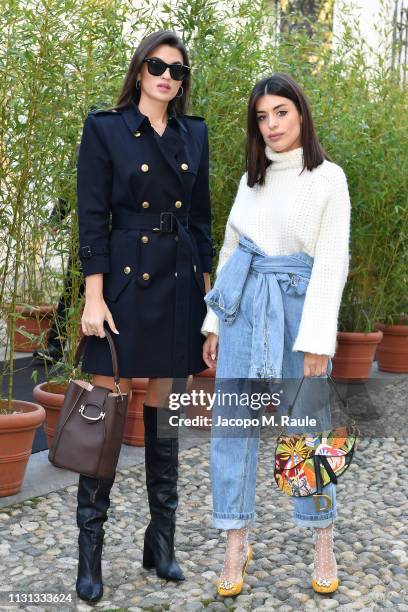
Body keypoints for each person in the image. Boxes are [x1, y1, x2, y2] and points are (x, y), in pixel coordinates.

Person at [75, 30, 213, 603]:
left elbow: (202, 223)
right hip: (125, 287)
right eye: (157, 65)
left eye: (177, 70)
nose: (166, 76)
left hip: (179, 288)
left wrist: (209, 311)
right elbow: (92, 219)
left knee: (165, 424)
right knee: (101, 425)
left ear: (182, 82)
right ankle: (90, 556)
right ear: (139, 70)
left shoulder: (193, 133)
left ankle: (162, 543)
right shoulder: (106, 128)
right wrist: (93, 297)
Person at [201, 73, 351, 596]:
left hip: (297, 307)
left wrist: (317, 340)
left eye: (280, 112)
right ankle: (235, 542)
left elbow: (332, 264)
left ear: (301, 114)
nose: (271, 125)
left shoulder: (329, 178)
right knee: (232, 430)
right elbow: (229, 253)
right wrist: (214, 322)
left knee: (307, 428)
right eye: (262, 117)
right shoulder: (251, 179)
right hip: (244, 308)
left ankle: (322, 538)